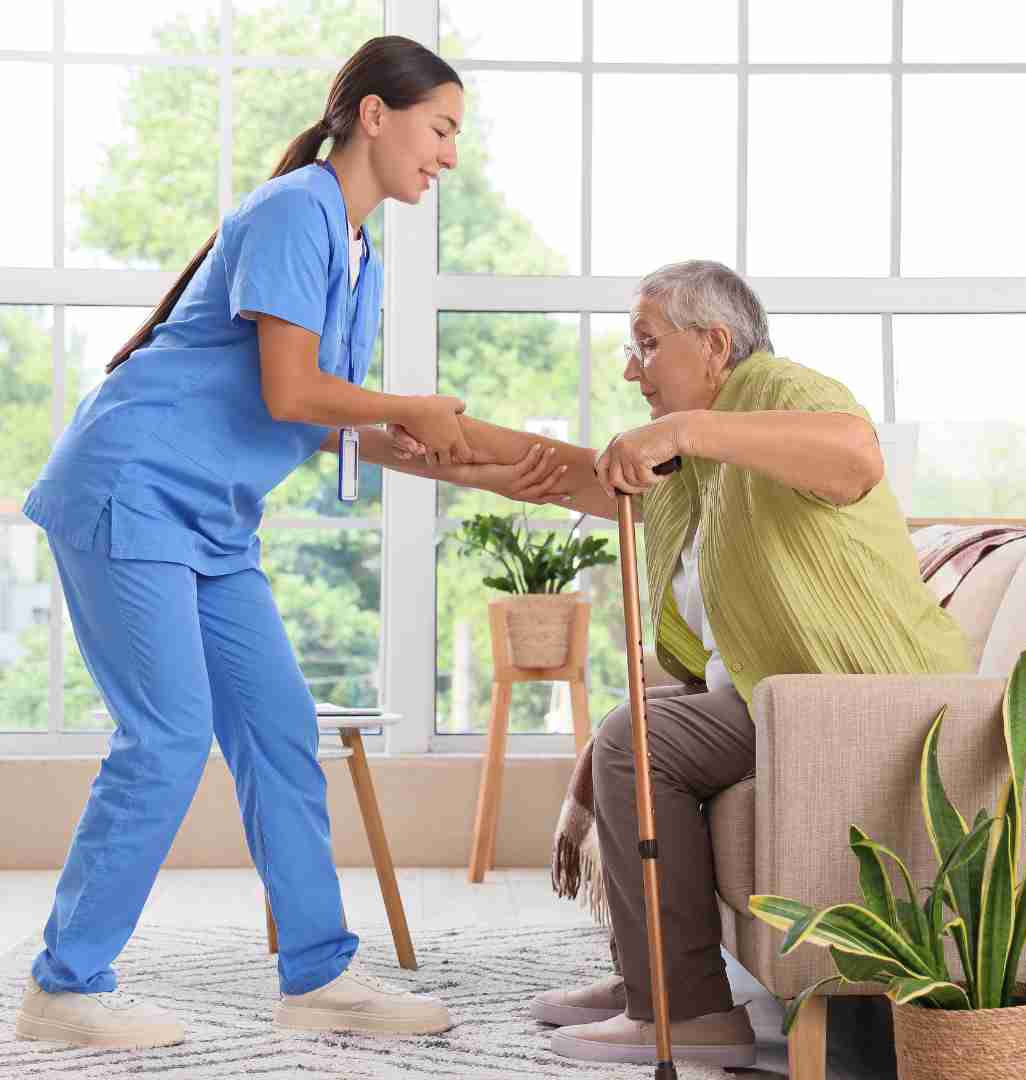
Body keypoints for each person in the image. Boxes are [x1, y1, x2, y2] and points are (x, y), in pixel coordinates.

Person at [14, 35, 474, 1050]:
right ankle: (65, 985)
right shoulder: (295, 209)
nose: (448, 155)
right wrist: (409, 409)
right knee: (169, 739)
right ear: (374, 114)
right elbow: (290, 388)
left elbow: (323, 421)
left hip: (215, 523)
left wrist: (462, 456)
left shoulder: (359, 251)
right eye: (441, 128)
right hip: (131, 491)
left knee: (275, 731)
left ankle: (319, 979)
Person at [414, 260, 975, 1067]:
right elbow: (562, 473)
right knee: (636, 731)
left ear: (715, 344)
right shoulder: (696, 467)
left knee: (637, 742)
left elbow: (854, 455)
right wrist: (427, 449)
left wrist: (681, 432)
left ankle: (688, 1012)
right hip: (780, 698)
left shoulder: (776, 389)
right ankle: (654, 980)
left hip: (858, 698)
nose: (630, 367)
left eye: (647, 343)